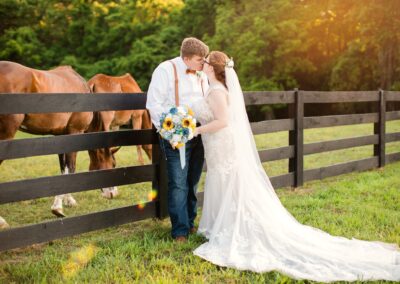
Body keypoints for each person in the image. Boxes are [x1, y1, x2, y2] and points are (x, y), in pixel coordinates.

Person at [191, 51, 400, 282]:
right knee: (221, 182)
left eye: (207, 61)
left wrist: (196, 130)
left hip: (223, 146)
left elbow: (223, 121)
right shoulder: (211, 86)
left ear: (213, 68)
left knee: (229, 183)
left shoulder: (219, 92)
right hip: (217, 147)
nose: (204, 63)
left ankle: (231, 229)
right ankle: (219, 225)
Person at [146, 37, 209, 242]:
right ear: (187, 58)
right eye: (200, 59)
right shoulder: (165, 70)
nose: (204, 63)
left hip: (200, 132)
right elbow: (153, 105)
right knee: (178, 182)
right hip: (175, 135)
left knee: (193, 180)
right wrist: (170, 133)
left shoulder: (202, 74)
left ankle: (190, 222)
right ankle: (179, 230)